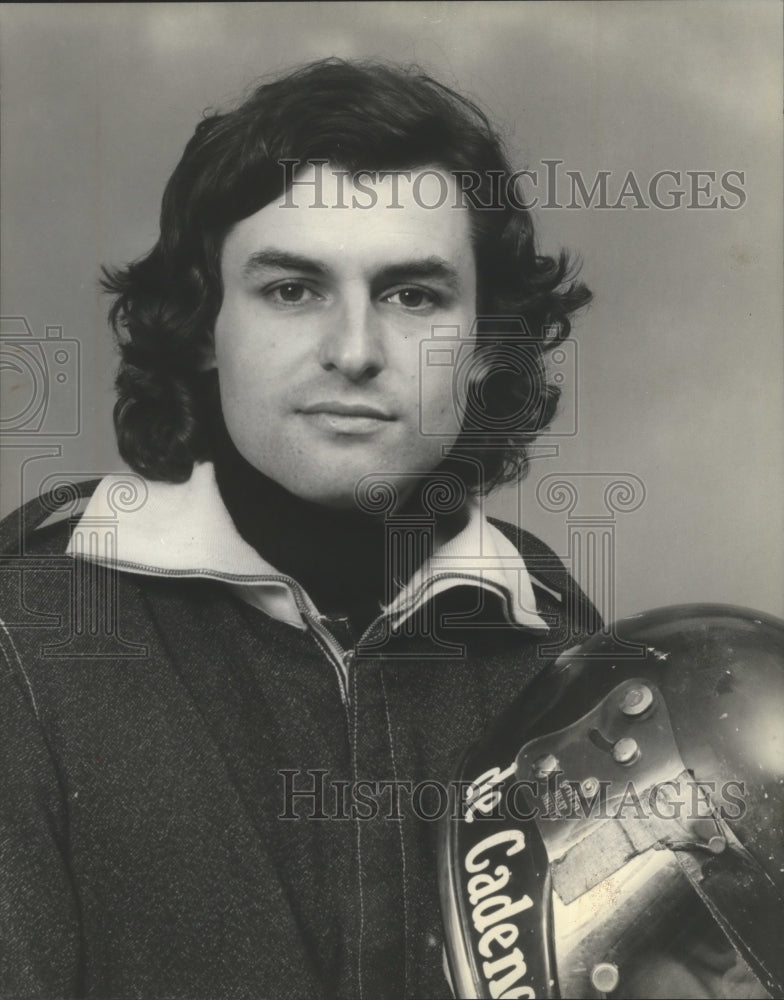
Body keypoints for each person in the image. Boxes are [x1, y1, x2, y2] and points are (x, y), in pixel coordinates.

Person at [0, 59, 599, 1000]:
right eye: (292, 290)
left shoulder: (570, 660)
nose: (354, 351)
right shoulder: (29, 630)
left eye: (414, 296)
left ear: (489, 346)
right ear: (206, 325)